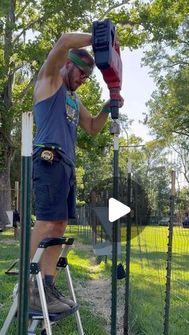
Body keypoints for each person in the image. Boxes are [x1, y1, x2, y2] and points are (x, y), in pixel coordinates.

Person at [29, 32, 123, 314]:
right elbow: (64, 40)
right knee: (46, 223)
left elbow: (93, 128)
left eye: (87, 76)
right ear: (68, 65)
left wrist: (109, 106)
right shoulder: (50, 80)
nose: (84, 80)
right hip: (49, 158)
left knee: (59, 227)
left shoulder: (72, 100)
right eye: (82, 73)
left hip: (67, 165)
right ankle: (30, 286)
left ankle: (47, 285)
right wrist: (102, 39)